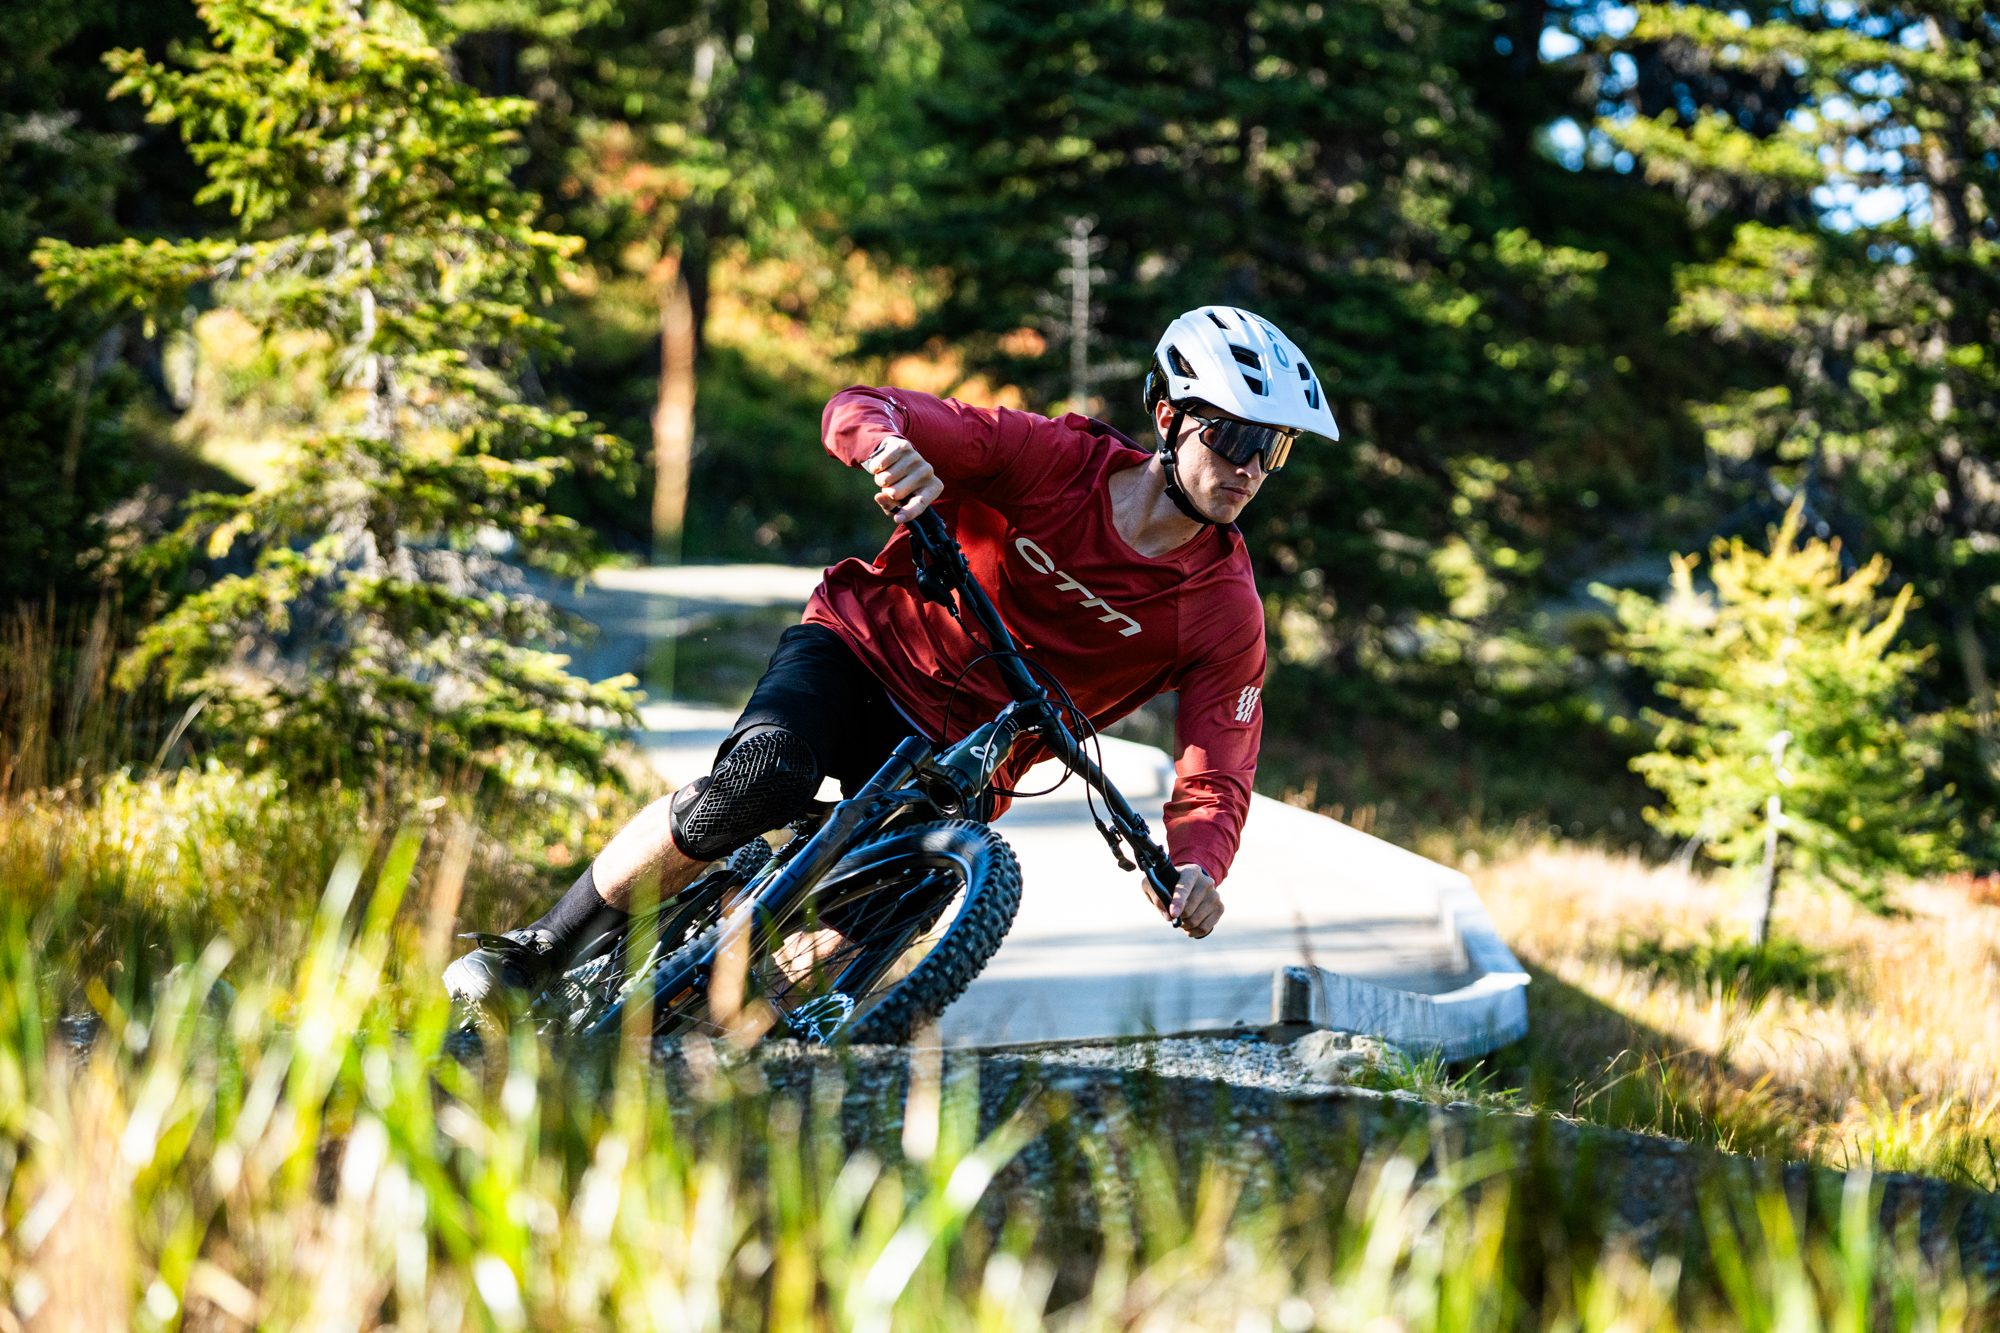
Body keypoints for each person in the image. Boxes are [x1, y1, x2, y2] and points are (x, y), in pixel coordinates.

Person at [444, 304, 1340, 1007]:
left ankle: (700, 1035)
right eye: (1232, 436)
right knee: (764, 777)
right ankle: (537, 951)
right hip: (862, 649)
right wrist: (889, 452)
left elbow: (1218, 766)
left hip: (969, 753)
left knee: (877, 916)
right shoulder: (1051, 460)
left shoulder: (1224, 609)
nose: (1251, 466)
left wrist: (1197, 863)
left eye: (1274, 449)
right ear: (1169, 417)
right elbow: (859, 409)